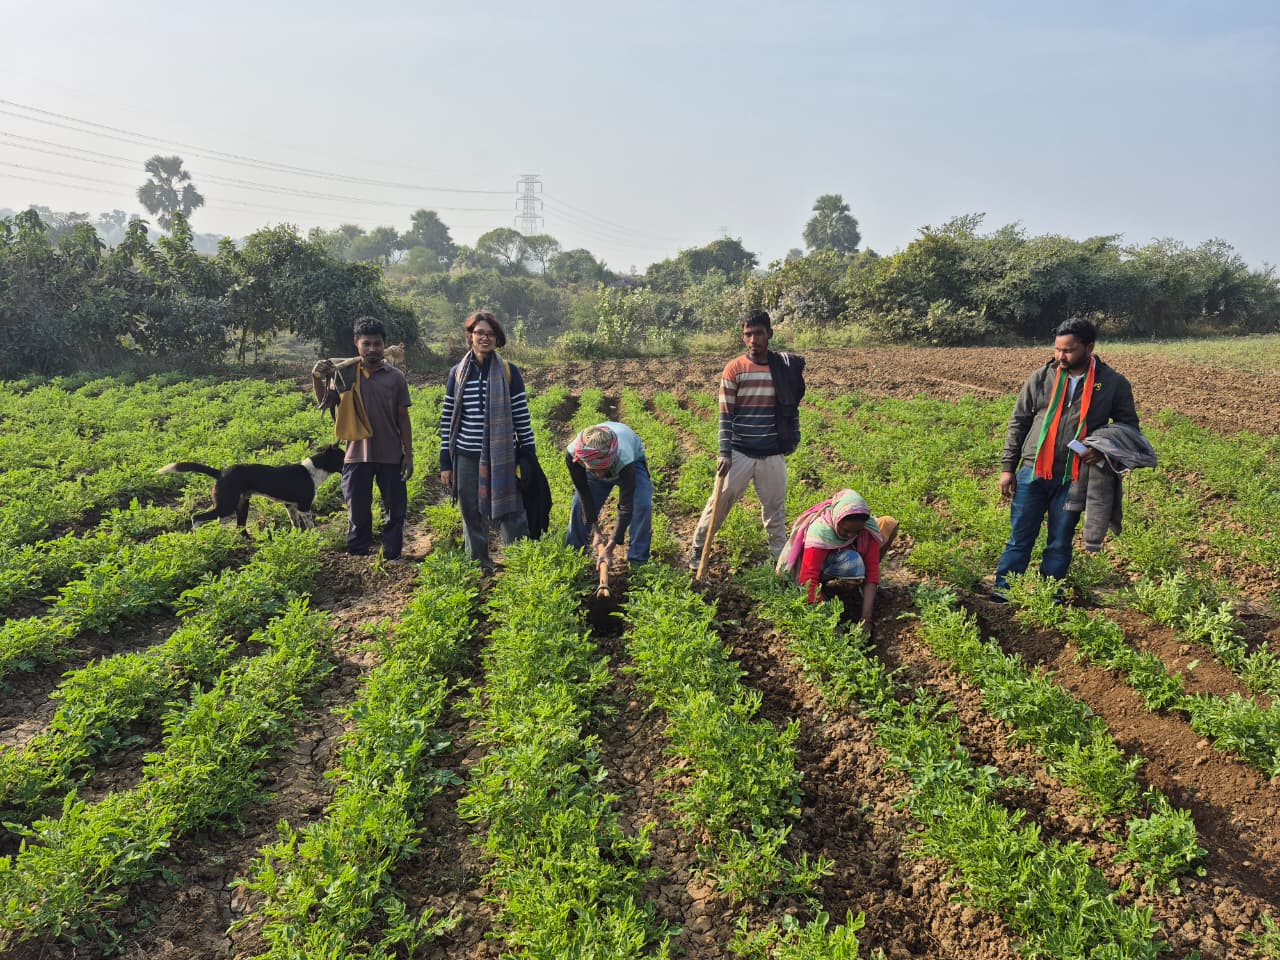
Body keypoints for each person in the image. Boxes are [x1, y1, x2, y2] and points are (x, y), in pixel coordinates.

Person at [992, 316, 1139, 599]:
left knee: (1059, 541)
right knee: (1019, 538)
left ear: (1089, 347)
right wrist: (1007, 468)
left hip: (1074, 475)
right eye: (1057, 349)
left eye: (1068, 350)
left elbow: (1128, 427)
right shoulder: (1041, 377)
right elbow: (1019, 422)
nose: (1060, 356)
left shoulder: (1112, 384)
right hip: (1032, 470)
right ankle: (1003, 594)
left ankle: (1051, 598)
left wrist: (1103, 448)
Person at [688, 309, 805, 569]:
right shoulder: (735, 369)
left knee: (775, 510)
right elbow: (725, 415)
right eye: (748, 334)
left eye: (758, 333)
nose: (753, 340)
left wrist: (792, 438)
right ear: (743, 338)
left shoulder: (783, 369)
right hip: (740, 451)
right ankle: (698, 551)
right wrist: (724, 452)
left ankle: (780, 561)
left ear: (769, 335)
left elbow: (792, 406)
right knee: (717, 505)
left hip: (772, 452)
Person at [439, 310, 537, 571]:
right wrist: (445, 462)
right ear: (470, 336)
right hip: (465, 455)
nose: (485, 337)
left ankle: (519, 564)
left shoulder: (508, 372)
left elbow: (521, 416)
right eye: (479, 332)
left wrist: (528, 455)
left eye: (491, 333)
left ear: (497, 339)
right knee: (471, 512)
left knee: (511, 510)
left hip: (503, 454)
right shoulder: (457, 373)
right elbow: (448, 418)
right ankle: (480, 565)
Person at [339, 316, 413, 560]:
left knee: (395, 509)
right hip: (355, 454)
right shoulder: (346, 374)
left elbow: (403, 418)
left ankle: (392, 555)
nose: (372, 349)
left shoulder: (395, 377)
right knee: (358, 509)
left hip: (390, 453)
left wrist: (408, 455)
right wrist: (317, 376)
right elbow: (327, 402)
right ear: (356, 344)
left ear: (384, 345)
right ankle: (359, 554)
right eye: (366, 344)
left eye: (377, 344)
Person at [776, 490, 897, 632]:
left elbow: (872, 571)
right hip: (820, 568)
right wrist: (829, 620)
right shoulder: (821, 531)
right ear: (836, 519)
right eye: (846, 530)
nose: (850, 535)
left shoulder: (867, 528)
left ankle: (855, 588)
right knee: (852, 563)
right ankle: (832, 589)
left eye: (856, 532)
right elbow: (808, 579)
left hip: (842, 557)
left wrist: (866, 618)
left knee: (888, 524)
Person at [564, 422, 653, 566]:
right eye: (594, 470)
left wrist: (610, 546)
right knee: (579, 505)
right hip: (597, 463)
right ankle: (573, 557)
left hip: (631, 464)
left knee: (642, 505)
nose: (599, 474)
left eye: (603, 468)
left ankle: (638, 562)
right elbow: (584, 493)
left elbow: (626, 506)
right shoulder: (574, 455)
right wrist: (596, 531)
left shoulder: (624, 458)